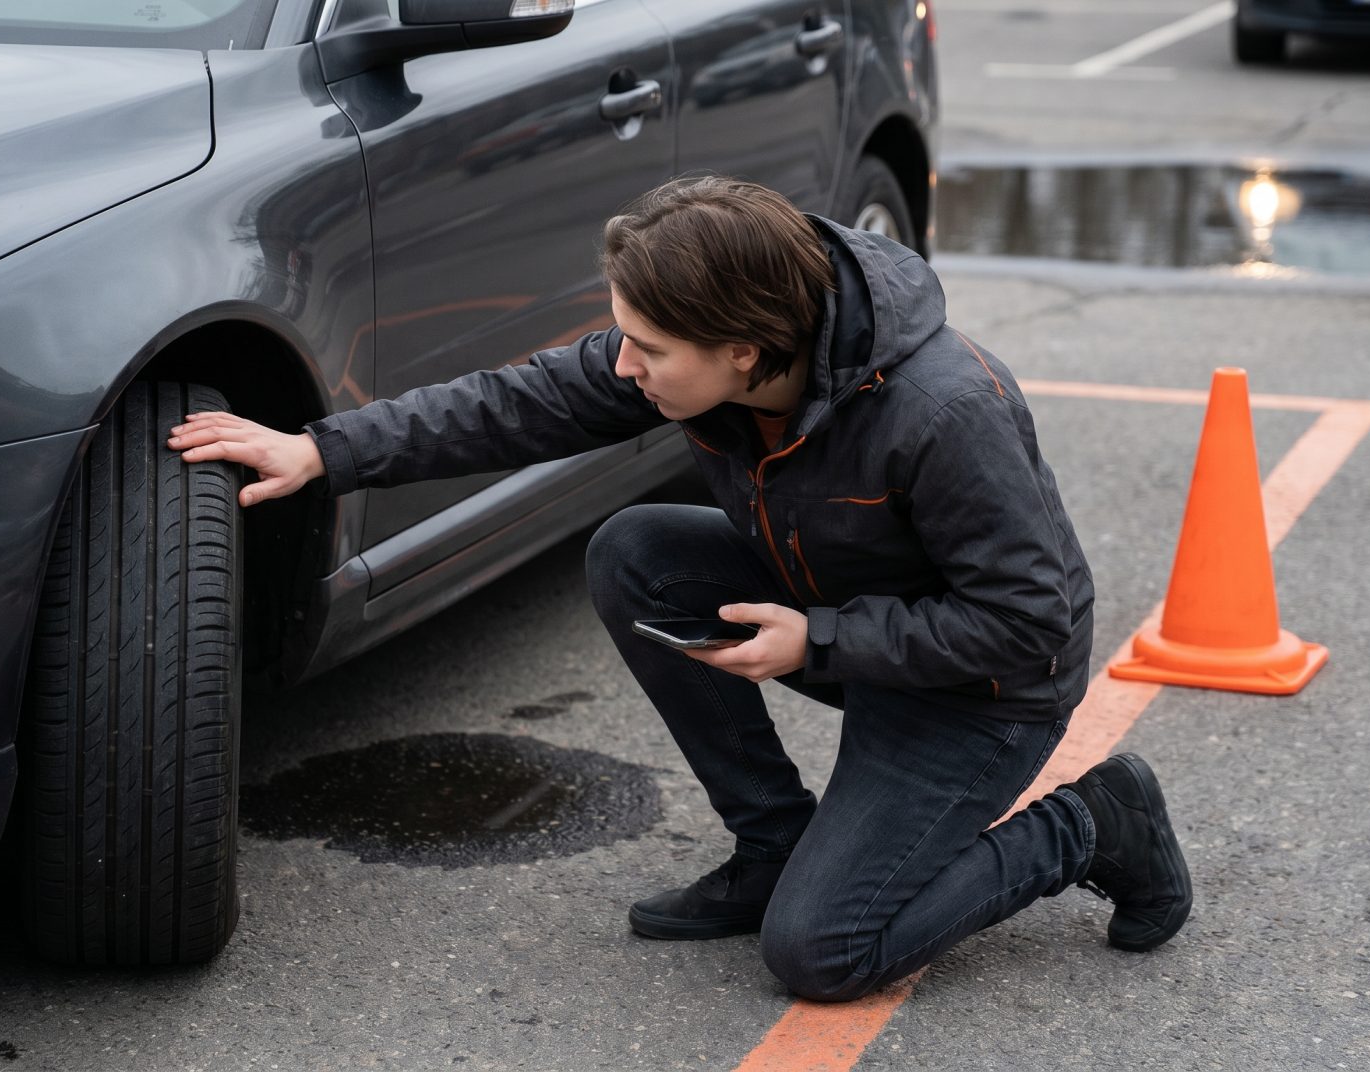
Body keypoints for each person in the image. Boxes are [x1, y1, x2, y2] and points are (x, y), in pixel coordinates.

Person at [165, 176, 1191, 1000]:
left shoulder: (944, 411)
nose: (625, 368)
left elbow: (1026, 620)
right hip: (832, 614)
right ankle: (772, 843)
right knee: (638, 551)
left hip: (981, 688)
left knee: (825, 952)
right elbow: (512, 406)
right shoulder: (717, 354)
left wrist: (817, 641)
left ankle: (1096, 823)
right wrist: (321, 449)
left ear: (743, 351)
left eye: (648, 350)